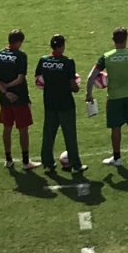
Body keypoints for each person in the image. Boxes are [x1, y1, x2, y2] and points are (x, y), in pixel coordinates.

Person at [86, 26, 128, 167]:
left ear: (113, 40)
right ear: (126, 39)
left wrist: (89, 94)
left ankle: (117, 158)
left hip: (114, 98)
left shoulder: (106, 57)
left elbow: (91, 77)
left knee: (115, 128)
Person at [35, 34, 86, 173]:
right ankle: (75, 165)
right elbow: (72, 85)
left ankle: (47, 163)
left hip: (50, 103)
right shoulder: (68, 62)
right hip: (66, 104)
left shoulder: (43, 61)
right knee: (69, 135)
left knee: (48, 135)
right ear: (62, 46)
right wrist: (77, 87)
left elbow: (38, 81)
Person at [0, 30, 41, 170]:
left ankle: (8, 160)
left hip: (4, 99)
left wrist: (5, 91)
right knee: (23, 129)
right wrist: (9, 87)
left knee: (7, 128)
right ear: (19, 42)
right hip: (19, 98)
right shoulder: (20, 56)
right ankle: (26, 162)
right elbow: (20, 79)